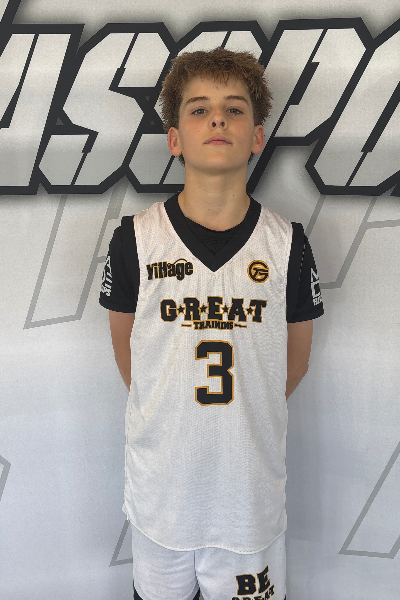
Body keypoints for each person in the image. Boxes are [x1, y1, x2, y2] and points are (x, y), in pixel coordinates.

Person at [99, 47, 324, 600]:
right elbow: (131, 355)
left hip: (248, 500)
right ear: (174, 139)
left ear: (257, 136)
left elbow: (293, 362)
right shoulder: (135, 238)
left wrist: (242, 409)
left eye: (234, 109)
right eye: (199, 109)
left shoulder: (288, 244)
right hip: (162, 499)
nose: (217, 119)